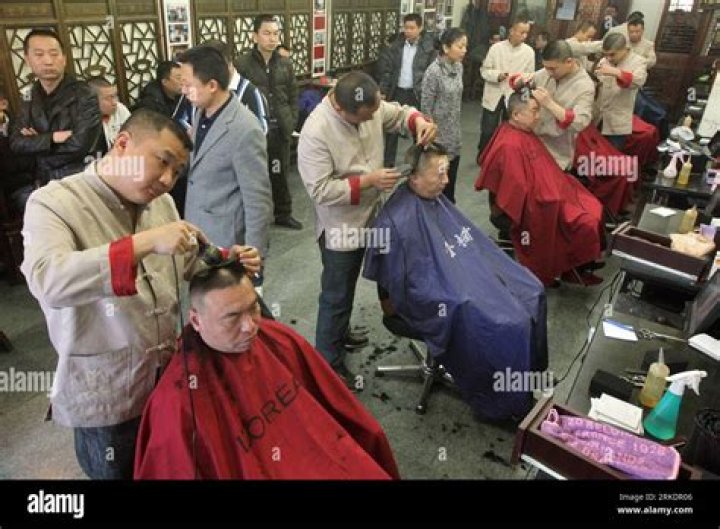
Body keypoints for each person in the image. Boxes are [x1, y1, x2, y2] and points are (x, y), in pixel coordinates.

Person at [20, 108, 262, 479]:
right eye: (162, 162)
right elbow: (48, 280)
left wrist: (226, 259)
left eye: (177, 172)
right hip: (108, 391)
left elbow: (183, 264)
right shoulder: (54, 203)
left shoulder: (160, 204)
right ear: (122, 143)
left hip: (167, 376)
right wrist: (143, 243)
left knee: (172, 465)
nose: (167, 180)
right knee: (118, 469)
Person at [134, 261, 400, 479]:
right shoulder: (176, 401)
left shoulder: (278, 340)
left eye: (253, 308)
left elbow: (336, 407)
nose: (250, 327)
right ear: (195, 320)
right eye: (232, 317)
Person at [363, 143, 548, 421]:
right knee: (507, 323)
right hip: (430, 297)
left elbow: (470, 244)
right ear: (414, 177)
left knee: (531, 291)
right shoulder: (396, 222)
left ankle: (526, 380)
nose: (447, 180)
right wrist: (460, 296)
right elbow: (408, 286)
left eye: (447, 172)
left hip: (461, 275)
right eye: (439, 174)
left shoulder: (435, 200)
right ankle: (501, 403)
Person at [297, 71, 436, 383]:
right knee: (337, 293)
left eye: (374, 111)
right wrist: (368, 181)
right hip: (341, 225)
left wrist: (417, 122)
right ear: (342, 109)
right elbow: (320, 191)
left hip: (375, 213)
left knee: (365, 281)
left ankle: (341, 333)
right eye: (365, 116)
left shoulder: (368, 105)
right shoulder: (316, 131)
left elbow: (397, 114)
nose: (373, 119)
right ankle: (328, 365)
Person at [476, 93, 604, 287]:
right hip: (533, 205)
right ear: (516, 115)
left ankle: (579, 264)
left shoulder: (522, 133)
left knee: (592, 206)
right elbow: (518, 190)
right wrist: (553, 197)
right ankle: (565, 266)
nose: (538, 116)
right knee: (585, 220)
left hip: (552, 192)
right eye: (535, 111)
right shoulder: (509, 145)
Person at [178, 46, 273, 257]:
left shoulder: (245, 129)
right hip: (198, 229)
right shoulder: (200, 112)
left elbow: (258, 200)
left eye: (188, 85)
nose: (183, 91)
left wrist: (254, 255)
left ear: (212, 85)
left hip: (226, 239)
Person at [10, 29, 101, 185]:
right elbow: (16, 143)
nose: (48, 61)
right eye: (39, 54)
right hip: (42, 181)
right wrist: (52, 138)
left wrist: (36, 143)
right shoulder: (28, 96)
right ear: (27, 60)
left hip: (79, 177)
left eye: (54, 54)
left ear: (64, 59)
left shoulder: (85, 94)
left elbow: (79, 146)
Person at [236, 14, 302, 230]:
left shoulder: (285, 63)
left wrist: (291, 120)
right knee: (254, 174)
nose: (272, 38)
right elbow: (237, 97)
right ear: (255, 36)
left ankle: (283, 213)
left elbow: (293, 95)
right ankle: (256, 218)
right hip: (254, 130)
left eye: (275, 33)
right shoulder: (242, 64)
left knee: (279, 172)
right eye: (267, 33)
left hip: (280, 128)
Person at [376, 13, 437, 167]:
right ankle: (388, 163)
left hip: (416, 92)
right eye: (406, 28)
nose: (408, 31)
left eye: (412, 28)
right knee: (391, 129)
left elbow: (430, 74)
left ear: (420, 28)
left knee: (419, 128)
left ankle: (418, 163)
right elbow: (387, 70)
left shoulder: (429, 49)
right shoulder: (396, 46)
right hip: (398, 90)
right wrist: (383, 90)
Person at [477, 16, 534, 158]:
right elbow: (484, 71)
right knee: (488, 130)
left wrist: (522, 82)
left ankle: (502, 158)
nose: (524, 36)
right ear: (511, 31)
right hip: (494, 93)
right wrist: (497, 75)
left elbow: (530, 76)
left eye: (526, 33)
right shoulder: (496, 48)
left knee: (508, 130)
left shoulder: (529, 52)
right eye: (521, 32)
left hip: (513, 96)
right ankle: (483, 156)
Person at [421, 27, 467, 203]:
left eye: (465, 46)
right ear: (446, 48)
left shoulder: (459, 67)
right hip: (437, 136)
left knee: (450, 184)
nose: (464, 50)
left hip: (454, 132)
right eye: (460, 46)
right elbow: (426, 108)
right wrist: (430, 138)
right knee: (437, 184)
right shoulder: (433, 72)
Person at [594, 32, 648, 151]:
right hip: (599, 116)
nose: (608, 58)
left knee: (612, 155)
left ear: (624, 49)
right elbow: (597, 78)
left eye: (612, 54)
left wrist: (616, 72)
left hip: (617, 120)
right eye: (606, 54)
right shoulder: (604, 60)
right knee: (592, 153)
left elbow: (638, 81)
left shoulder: (639, 61)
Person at [87, 77, 131, 156]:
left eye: (115, 96)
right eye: (108, 98)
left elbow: (133, 137)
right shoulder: (85, 119)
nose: (114, 102)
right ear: (93, 100)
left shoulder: (120, 109)